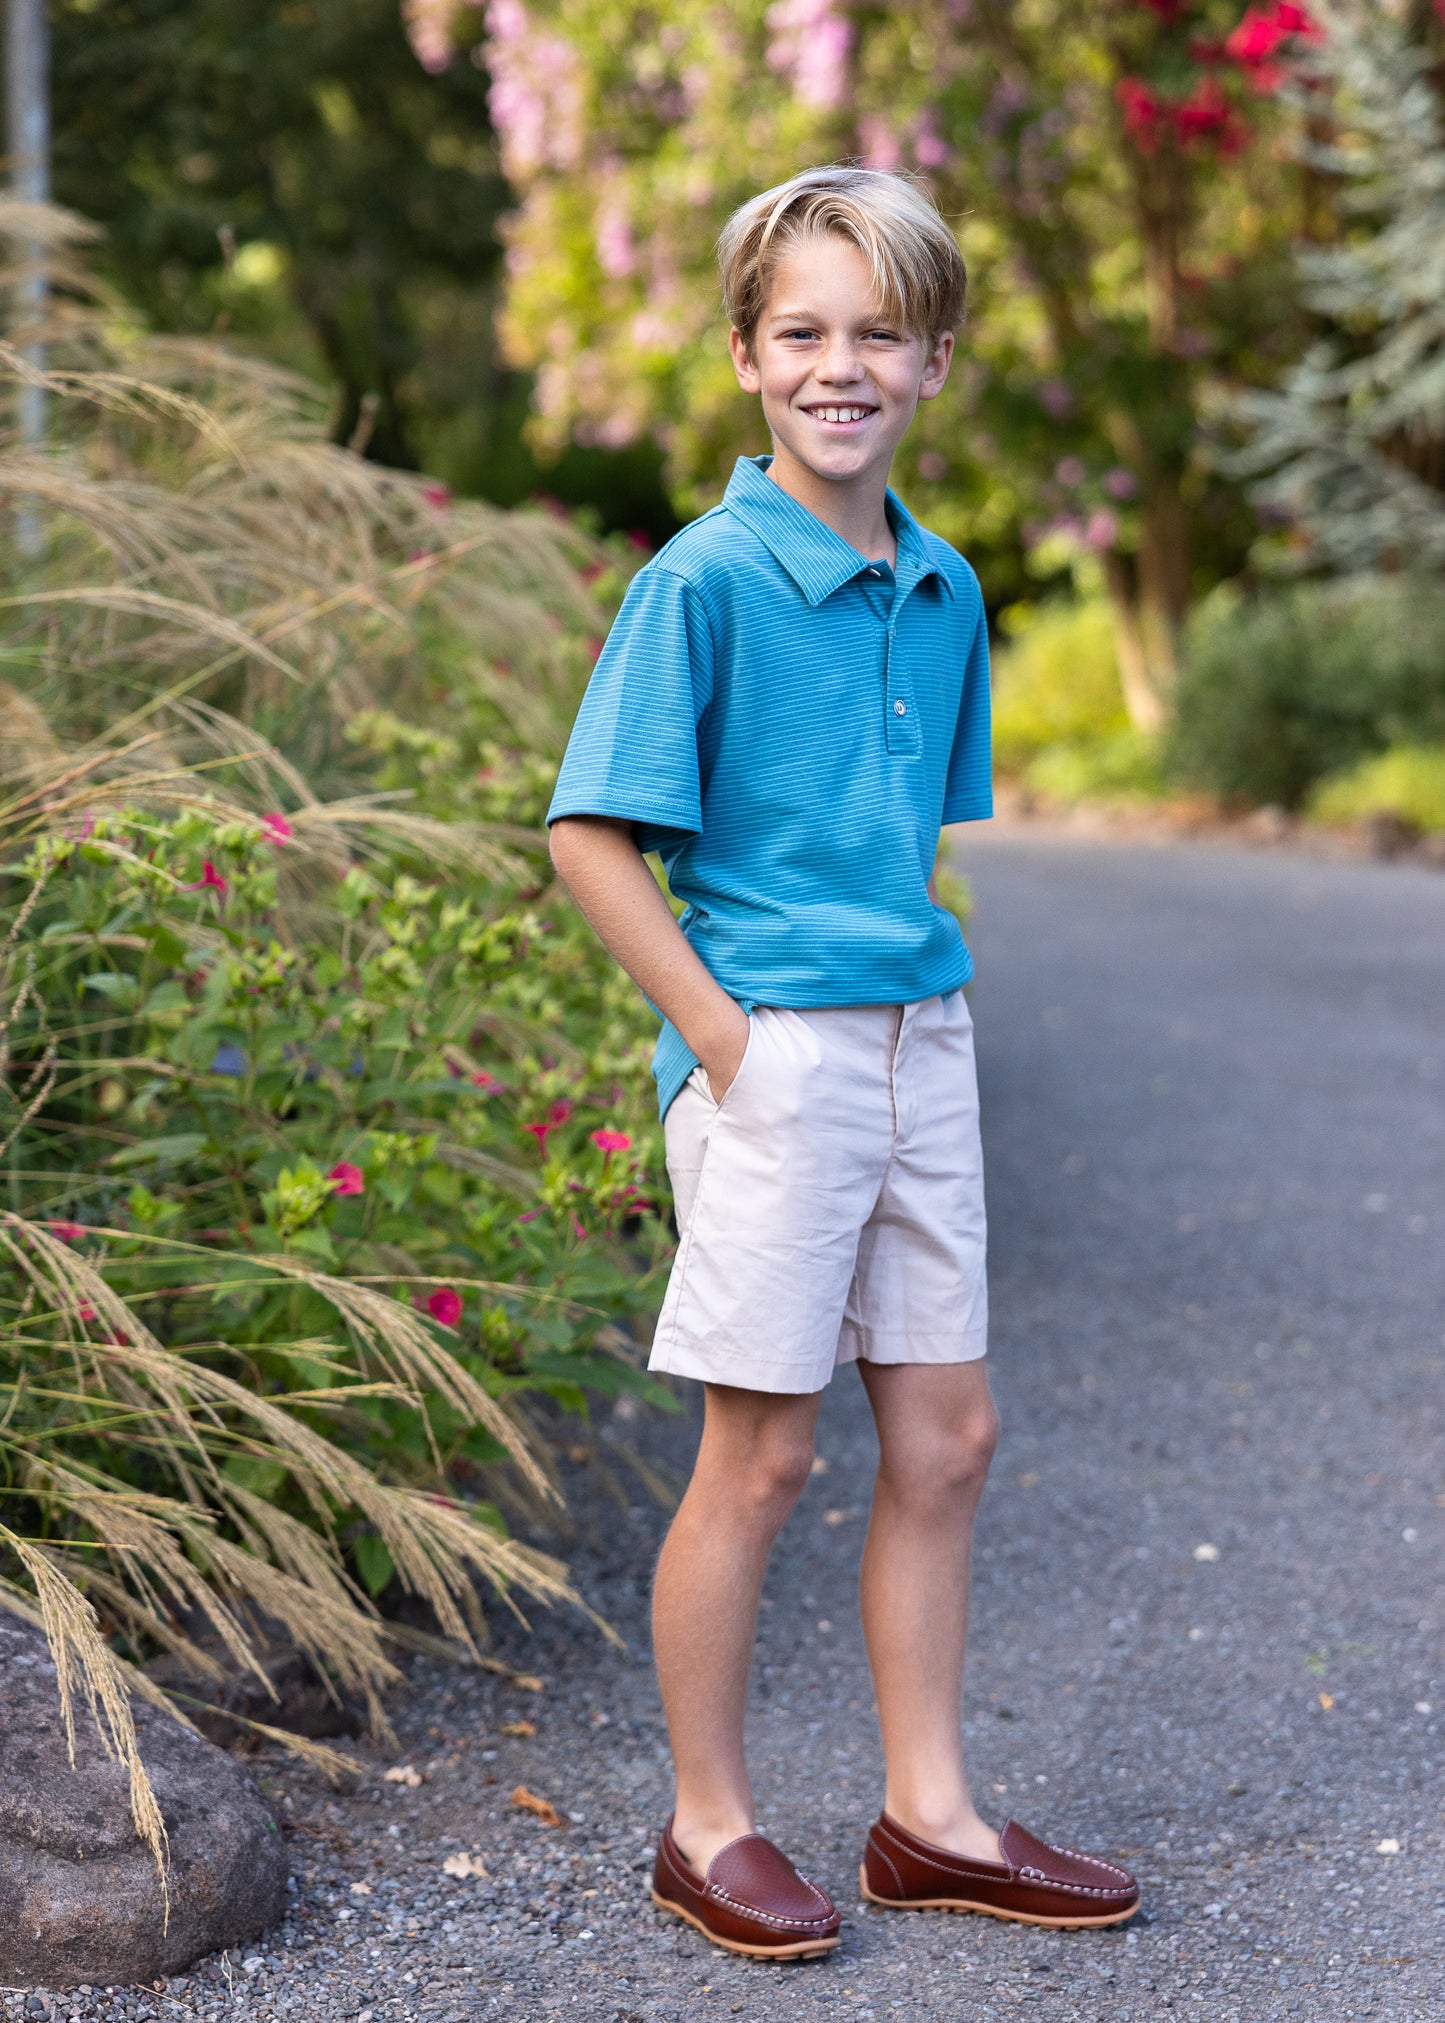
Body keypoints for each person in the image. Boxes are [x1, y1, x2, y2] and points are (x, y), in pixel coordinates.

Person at [547, 164, 1139, 1961]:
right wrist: (730, 1051)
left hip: (918, 1038)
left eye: (878, 332)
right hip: (773, 1056)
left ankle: (928, 1818)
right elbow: (590, 836)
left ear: (935, 358)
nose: (839, 365)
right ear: (743, 355)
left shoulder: (945, 587)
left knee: (946, 1437)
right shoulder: (704, 581)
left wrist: (906, 1019)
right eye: (800, 331)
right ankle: (705, 1825)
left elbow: (903, 835)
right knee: (763, 1458)